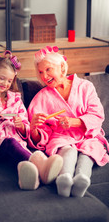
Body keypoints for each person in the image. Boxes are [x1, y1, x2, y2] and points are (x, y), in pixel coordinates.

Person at [0, 50, 63, 190]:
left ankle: (31, 177)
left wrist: (21, 126)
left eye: (9, 81)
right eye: (2, 78)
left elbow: (27, 127)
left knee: (15, 149)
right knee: (10, 142)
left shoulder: (15, 99)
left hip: (15, 144)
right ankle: (42, 166)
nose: (5, 84)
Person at [27, 45, 109, 197]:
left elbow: (97, 114)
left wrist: (74, 122)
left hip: (87, 134)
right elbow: (40, 137)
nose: (44, 76)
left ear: (62, 67)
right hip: (61, 137)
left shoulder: (85, 87)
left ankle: (81, 179)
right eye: (40, 72)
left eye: (48, 69)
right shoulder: (41, 97)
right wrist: (34, 129)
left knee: (89, 151)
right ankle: (64, 178)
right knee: (67, 150)